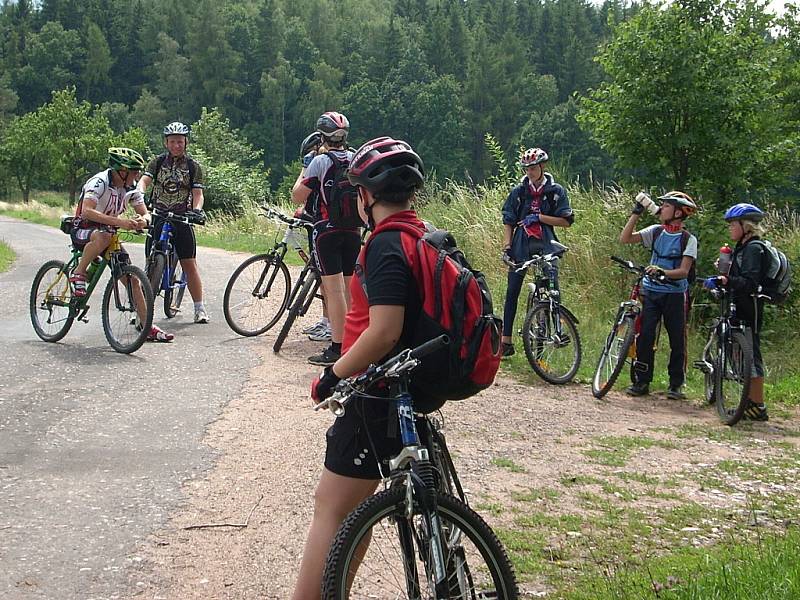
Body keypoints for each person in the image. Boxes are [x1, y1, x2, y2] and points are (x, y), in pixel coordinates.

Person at [291, 136, 427, 600]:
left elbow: (384, 330)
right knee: (355, 508)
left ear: (367, 195)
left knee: (330, 508)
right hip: (405, 390)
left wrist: (333, 375)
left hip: (378, 393)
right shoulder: (420, 234)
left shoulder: (388, 245)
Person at [70, 147, 173, 342]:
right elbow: (87, 211)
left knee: (133, 279)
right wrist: (120, 222)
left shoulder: (131, 188)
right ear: (121, 171)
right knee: (102, 237)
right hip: (83, 229)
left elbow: (144, 212)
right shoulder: (99, 182)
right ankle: (79, 273)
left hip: (108, 233)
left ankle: (146, 326)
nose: (137, 175)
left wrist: (144, 220)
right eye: (134, 171)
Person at [291, 111, 360, 365]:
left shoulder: (320, 162)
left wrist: (304, 170)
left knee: (334, 291)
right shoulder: (355, 159)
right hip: (352, 232)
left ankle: (337, 348)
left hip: (326, 232)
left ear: (322, 136)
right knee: (349, 290)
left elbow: (297, 195)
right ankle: (354, 345)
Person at [619, 190, 698, 399]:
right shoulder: (656, 231)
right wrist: (636, 213)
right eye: (661, 205)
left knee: (677, 339)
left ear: (679, 213)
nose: (661, 208)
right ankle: (642, 381)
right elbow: (625, 238)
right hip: (651, 291)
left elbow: (683, 271)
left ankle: (675, 384)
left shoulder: (688, 239)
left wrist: (662, 271)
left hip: (675, 294)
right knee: (645, 336)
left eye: (667, 206)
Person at [500, 147, 574, 357]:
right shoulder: (519, 192)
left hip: (546, 241)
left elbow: (566, 221)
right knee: (512, 289)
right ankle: (506, 340)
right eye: (526, 168)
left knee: (553, 288)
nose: (529, 172)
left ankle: (557, 331)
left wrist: (541, 218)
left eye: (533, 168)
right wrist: (507, 247)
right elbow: (509, 221)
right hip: (521, 243)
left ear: (542, 167)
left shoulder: (556, 191)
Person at [136, 121, 209, 324]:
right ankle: (141, 311)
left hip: (181, 217)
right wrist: (139, 193)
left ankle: (199, 308)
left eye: (180, 141)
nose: (176, 145)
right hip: (158, 215)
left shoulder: (194, 167)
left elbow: (198, 194)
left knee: (189, 264)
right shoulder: (157, 162)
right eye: (172, 141)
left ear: (186, 142)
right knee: (150, 263)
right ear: (166, 143)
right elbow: (145, 180)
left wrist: (196, 210)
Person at [703, 203, 771, 421]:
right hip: (740, 304)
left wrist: (726, 279)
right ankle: (750, 402)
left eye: (733, 224)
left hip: (749, 307)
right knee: (743, 355)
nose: (730, 228)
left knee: (752, 355)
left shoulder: (753, 248)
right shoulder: (743, 246)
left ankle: (758, 405)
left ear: (746, 226)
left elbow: (750, 282)